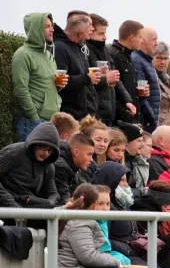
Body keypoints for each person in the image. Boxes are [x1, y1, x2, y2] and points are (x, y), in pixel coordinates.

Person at [12, 12, 62, 142]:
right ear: (36, 29)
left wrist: (59, 86)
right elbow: (20, 90)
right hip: (30, 122)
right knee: (28, 161)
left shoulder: (48, 54)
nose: (52, 30)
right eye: (47, 26)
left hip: (50, 120)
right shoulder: (22, 55)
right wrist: (35, 118)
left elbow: (48, 87)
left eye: (51, 26)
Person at [87, 14, 135, 126]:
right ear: (90, 31)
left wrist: (127, 100)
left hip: (109, 113)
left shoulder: (105, 50)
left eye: (105, 33)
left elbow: (116, 79)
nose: (105, 37)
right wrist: (106, 79)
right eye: (101, 33)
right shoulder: (85, 51)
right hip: (94, 114)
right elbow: (86, 82)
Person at [0, 122, 60, 209]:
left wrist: (38, 201)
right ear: (35, 144)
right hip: (6, 207)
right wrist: (13, 206)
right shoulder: (14, 153)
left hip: (28, 208)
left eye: (50, 150)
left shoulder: (49, 167)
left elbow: (53, 195)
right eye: (43, 147)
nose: (46, 153)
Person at [54, 14, 100, 120]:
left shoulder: (76, 46)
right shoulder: (60, 48)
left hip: (82, 112)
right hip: (68, 116)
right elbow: (60, 82)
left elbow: (77, 73)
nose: (92, 30)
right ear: (80, 34)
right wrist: (87, 78)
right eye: (90, 27)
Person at [110, 20, 145, 124]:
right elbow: (114, 88)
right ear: (132, 37)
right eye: (140, 37)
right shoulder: (113, 55)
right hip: (121, 119)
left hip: (131, 116)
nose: (142, 41)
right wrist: (124, 111)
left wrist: (141, 93)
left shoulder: (129, 56)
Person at [132, 27, 159, 132]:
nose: (157, 43)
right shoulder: (137, 61)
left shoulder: (146, 61)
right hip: (146, 122)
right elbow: (142, 93)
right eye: (154, 39)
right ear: (143, 39)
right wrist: (152, 118)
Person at [54, 134, 95, 204]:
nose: (91, 160)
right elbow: (64, 201)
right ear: (76, 152)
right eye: (89, 154)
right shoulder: (60, 167)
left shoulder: (75, 165)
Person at [116, 120, 147, 198]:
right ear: (127, 143)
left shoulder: (133, 160)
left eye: (143, 141)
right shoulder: (119, 162)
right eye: (139, 141)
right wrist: (141, 192)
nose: (143, 144)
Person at [152, 42, 170, 129]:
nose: (163, 62)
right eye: (159, 58)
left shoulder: (168, 79)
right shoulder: (149, 77)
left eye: (166, 58)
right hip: (157, 128)